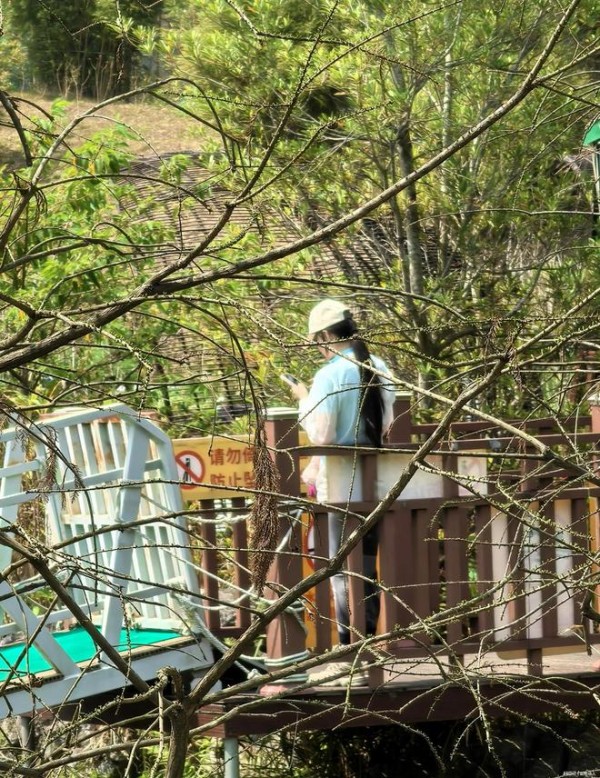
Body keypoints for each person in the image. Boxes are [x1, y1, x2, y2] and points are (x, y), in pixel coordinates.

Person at [284, 298, 395, 652]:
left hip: (341, 479)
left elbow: (322, 432)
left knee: (342, 563)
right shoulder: (378, 365)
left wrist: (303, 397)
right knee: (367, 562)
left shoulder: (329, 375)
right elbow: (387, 422)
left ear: (326, 336)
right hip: (377, 477)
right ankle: (368, 636)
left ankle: (349, 642)